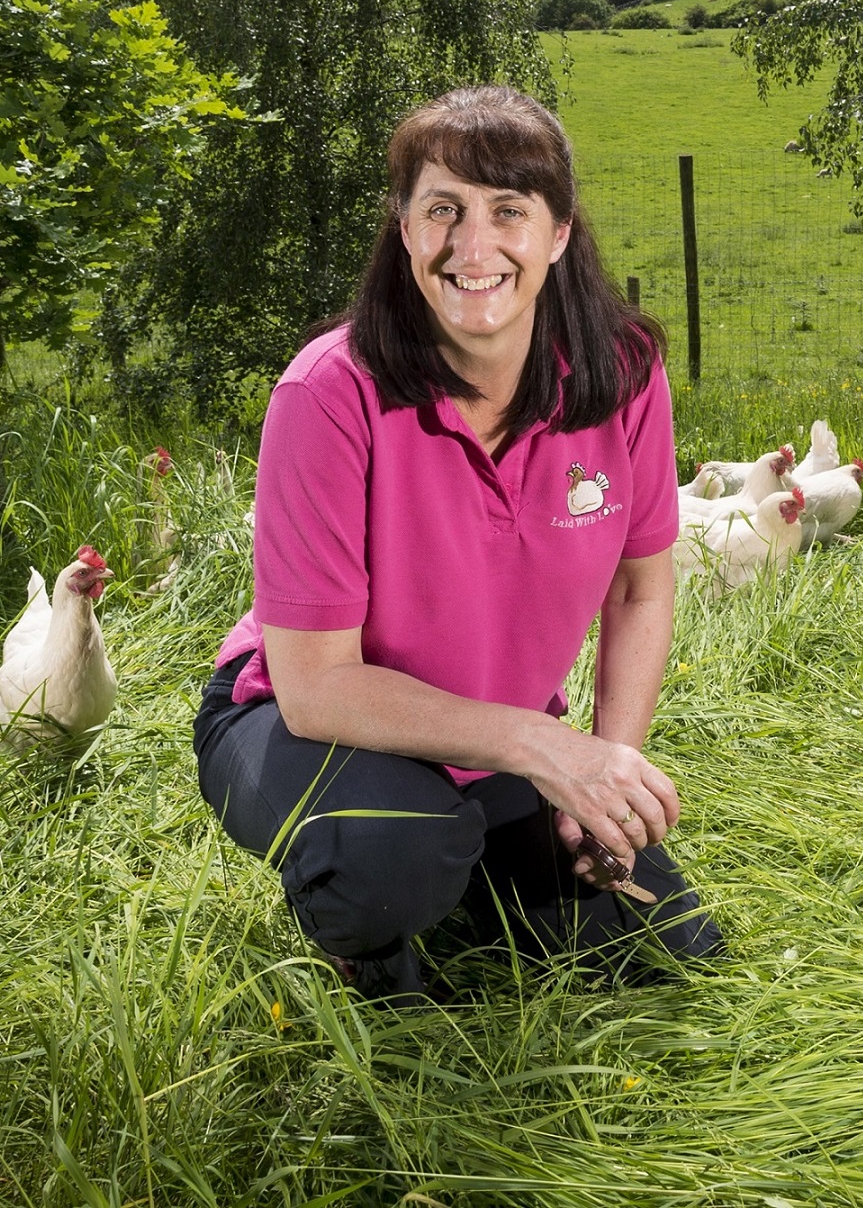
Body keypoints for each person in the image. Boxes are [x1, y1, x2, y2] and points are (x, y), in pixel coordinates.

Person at [194, 86, 721, 1003]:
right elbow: (317, 686)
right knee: (395, 854)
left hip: (495, 737)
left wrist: (601, 773)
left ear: (558, 233)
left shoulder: (625, 371)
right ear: (405, 230)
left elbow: (640, 590)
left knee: (670, 951)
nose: (473, 249)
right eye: (443, 210)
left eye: (508, 211)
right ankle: (361, 931)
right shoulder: (327, 394)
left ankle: (467, 859)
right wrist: (545, 747)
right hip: (292, 719)